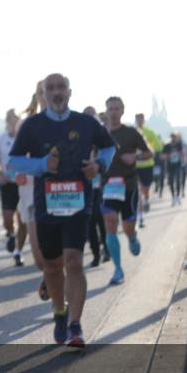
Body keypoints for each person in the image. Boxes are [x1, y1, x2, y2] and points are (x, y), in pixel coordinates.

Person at [10, 73, 116, 348]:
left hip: (79, 202)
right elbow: (14, 161)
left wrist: (99, 166)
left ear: (70, 92)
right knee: (53, 266)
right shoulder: (33, 126)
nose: (56, 93)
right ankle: (60, 312)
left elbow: (108, 147)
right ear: (43, 94)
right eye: (50, 89)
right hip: (46, 205)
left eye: (61, 88)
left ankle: (76, 326)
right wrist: (42, 165)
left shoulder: (86, 122)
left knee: (74, 261)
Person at [101, 97, 153, 285]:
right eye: (110, 109)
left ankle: (132, 237)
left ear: (122, 111)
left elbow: (149, 152)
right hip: (107, 187)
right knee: (110, 221)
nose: (113, 112)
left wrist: (135, 156)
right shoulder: (100, 134)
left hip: (129, 186)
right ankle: (118, 269)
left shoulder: (130, 133)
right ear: (106, 112)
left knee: (127, 227)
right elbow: (90, 153)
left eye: (116, 109)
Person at [17, 82, 49, 298]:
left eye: (50, 90)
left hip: (61, 195)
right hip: (31, 193)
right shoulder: (28, 125)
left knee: (65, 254)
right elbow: (15, 158)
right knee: (39, 258)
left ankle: (60, 301)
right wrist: (19, 169)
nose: (46, 95)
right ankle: (51, 275)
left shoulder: (73, 123)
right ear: (37, 97)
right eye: (41, 92)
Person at [0, 109, 25, 264]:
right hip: (7, 183)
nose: (13, 121)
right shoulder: (0, 139)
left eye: (16, 118)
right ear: (6, 121)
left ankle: (18, 251)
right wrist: (0, 173)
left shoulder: (24, 136)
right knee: (7, 219)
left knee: (22, 218)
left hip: (23, 183)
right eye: (10, 119)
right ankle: (11, 234)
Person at [82, 106, 108, 269]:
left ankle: (106, 247)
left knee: (100, 217)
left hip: (102, 186)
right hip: (85, 187)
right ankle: (95, 253)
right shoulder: (79, 140)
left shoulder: (103, 139)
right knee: (89, 221)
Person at [134, 112, 162, 227]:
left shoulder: (149, 132)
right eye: (137, 119)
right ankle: (140, 218)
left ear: (144, 120)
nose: (139, 121)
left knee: (145, 189)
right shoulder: (132, 132)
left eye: (141, 119)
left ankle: (146, 200)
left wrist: (148, 149)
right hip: (135, 166)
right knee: (138, 190)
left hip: (148, 164)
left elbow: (159, 147)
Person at [163, 132, 185, 205]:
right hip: (170, 166)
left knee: (178, 180)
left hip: (178, 165)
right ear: (170, 138)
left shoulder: (179, 145)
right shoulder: (166, 146)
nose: (173, 139)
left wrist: (182, 158)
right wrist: (169, 155)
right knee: (171, 182)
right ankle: (173, 197)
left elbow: (182, 153)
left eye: (174, 137)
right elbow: (163, 156)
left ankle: (178, 196)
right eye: (172, 137)